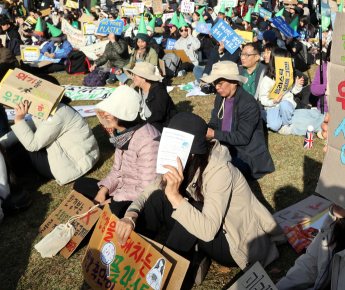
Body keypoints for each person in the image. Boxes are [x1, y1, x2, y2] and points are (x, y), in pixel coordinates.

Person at [114, 113, 285, 289]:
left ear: (192, 150)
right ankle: (131, 253)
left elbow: (208, 230)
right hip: (208, 225)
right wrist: (130, 215)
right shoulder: (181, 160)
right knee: (159, 197)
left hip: (233, 241)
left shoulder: (219, 170)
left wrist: (175, 197)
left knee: (185, 207)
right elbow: (148, 191)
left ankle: (170, 278)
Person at [73, 86, 159, 218]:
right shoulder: (122, 134)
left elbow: (146, 189)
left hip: (138, 199)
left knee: (115, 208)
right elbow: (116, 171)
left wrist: (112, 200)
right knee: (81, 184)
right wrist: (103, 190)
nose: (105, 114)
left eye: (111, 111)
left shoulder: (148, 140)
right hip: (121, 189)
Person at [0, 76, 99, 185]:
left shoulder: (58, 114)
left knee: (25, 153)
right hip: (67, 155)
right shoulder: (48, 109)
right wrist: (1, 144)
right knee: (15, 145)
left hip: (76, 164)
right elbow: (27, 127)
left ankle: (4, 180)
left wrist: (19, 120)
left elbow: (33, 145)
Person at [202, 62, 275, 179]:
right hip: (224, 147)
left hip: (245, 155)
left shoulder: (248, 104)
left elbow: (242, 137)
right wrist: (207, 131)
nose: (216, 87)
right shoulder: (221, 97)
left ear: (234, 82)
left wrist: (214, 134)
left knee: (217, 171)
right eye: (215, 83)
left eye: (220, 83)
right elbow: (215, 121)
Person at [257, 48, 304, 132]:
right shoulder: (267, 79)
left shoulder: (289, 74)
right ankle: (263, 114)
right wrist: (273, 101)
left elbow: (294, 90)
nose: (288, 61)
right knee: (274, 126)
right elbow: (263, 98)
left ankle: (286, 124)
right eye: (285, 59)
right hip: (272, 106)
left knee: (284, 105)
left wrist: (298, 85)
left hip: (287, 104)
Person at [125, 62, 177, 132]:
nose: (132, 77)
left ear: (143, 77)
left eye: (135, 75)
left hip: (163, 126)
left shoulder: (159, 91)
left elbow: (158, 115)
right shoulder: (138, 90)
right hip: (146, 125)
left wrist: (140, 127)